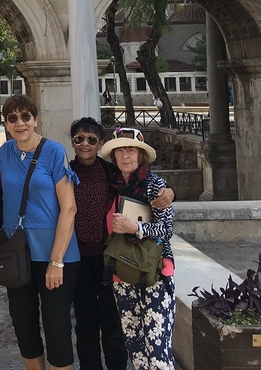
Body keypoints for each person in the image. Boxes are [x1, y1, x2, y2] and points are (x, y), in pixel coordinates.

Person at [69, 118, 174, 370]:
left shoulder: (113, 174)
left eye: (91, 139)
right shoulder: (68, 172)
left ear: (99, 143)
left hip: (119, 261)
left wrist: (169, 192)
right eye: (79, 139)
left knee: (117, 326)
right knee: (88, 323)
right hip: (81, 258)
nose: (85, 144)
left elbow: (165, 222)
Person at [0, 95, 79, 370]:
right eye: (12, 118)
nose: (19, 123)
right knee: (23, 325)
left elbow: (69, 209)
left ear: (35, 119)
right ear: (6, 123)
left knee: (57, 326)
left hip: (55, 251)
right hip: (18, 253)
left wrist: (56, 261)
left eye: (25, 117)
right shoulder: (3, 154)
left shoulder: (54, 152)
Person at [101, 127, 175, 370]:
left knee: (158, 351)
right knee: (136, 348)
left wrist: (136, 228)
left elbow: (167, 228)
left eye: (131, 150)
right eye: (120, 150)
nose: (125, 156)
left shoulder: (154, 185)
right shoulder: (111, 186)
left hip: (154, 273)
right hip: (122, 273)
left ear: (140, 155)